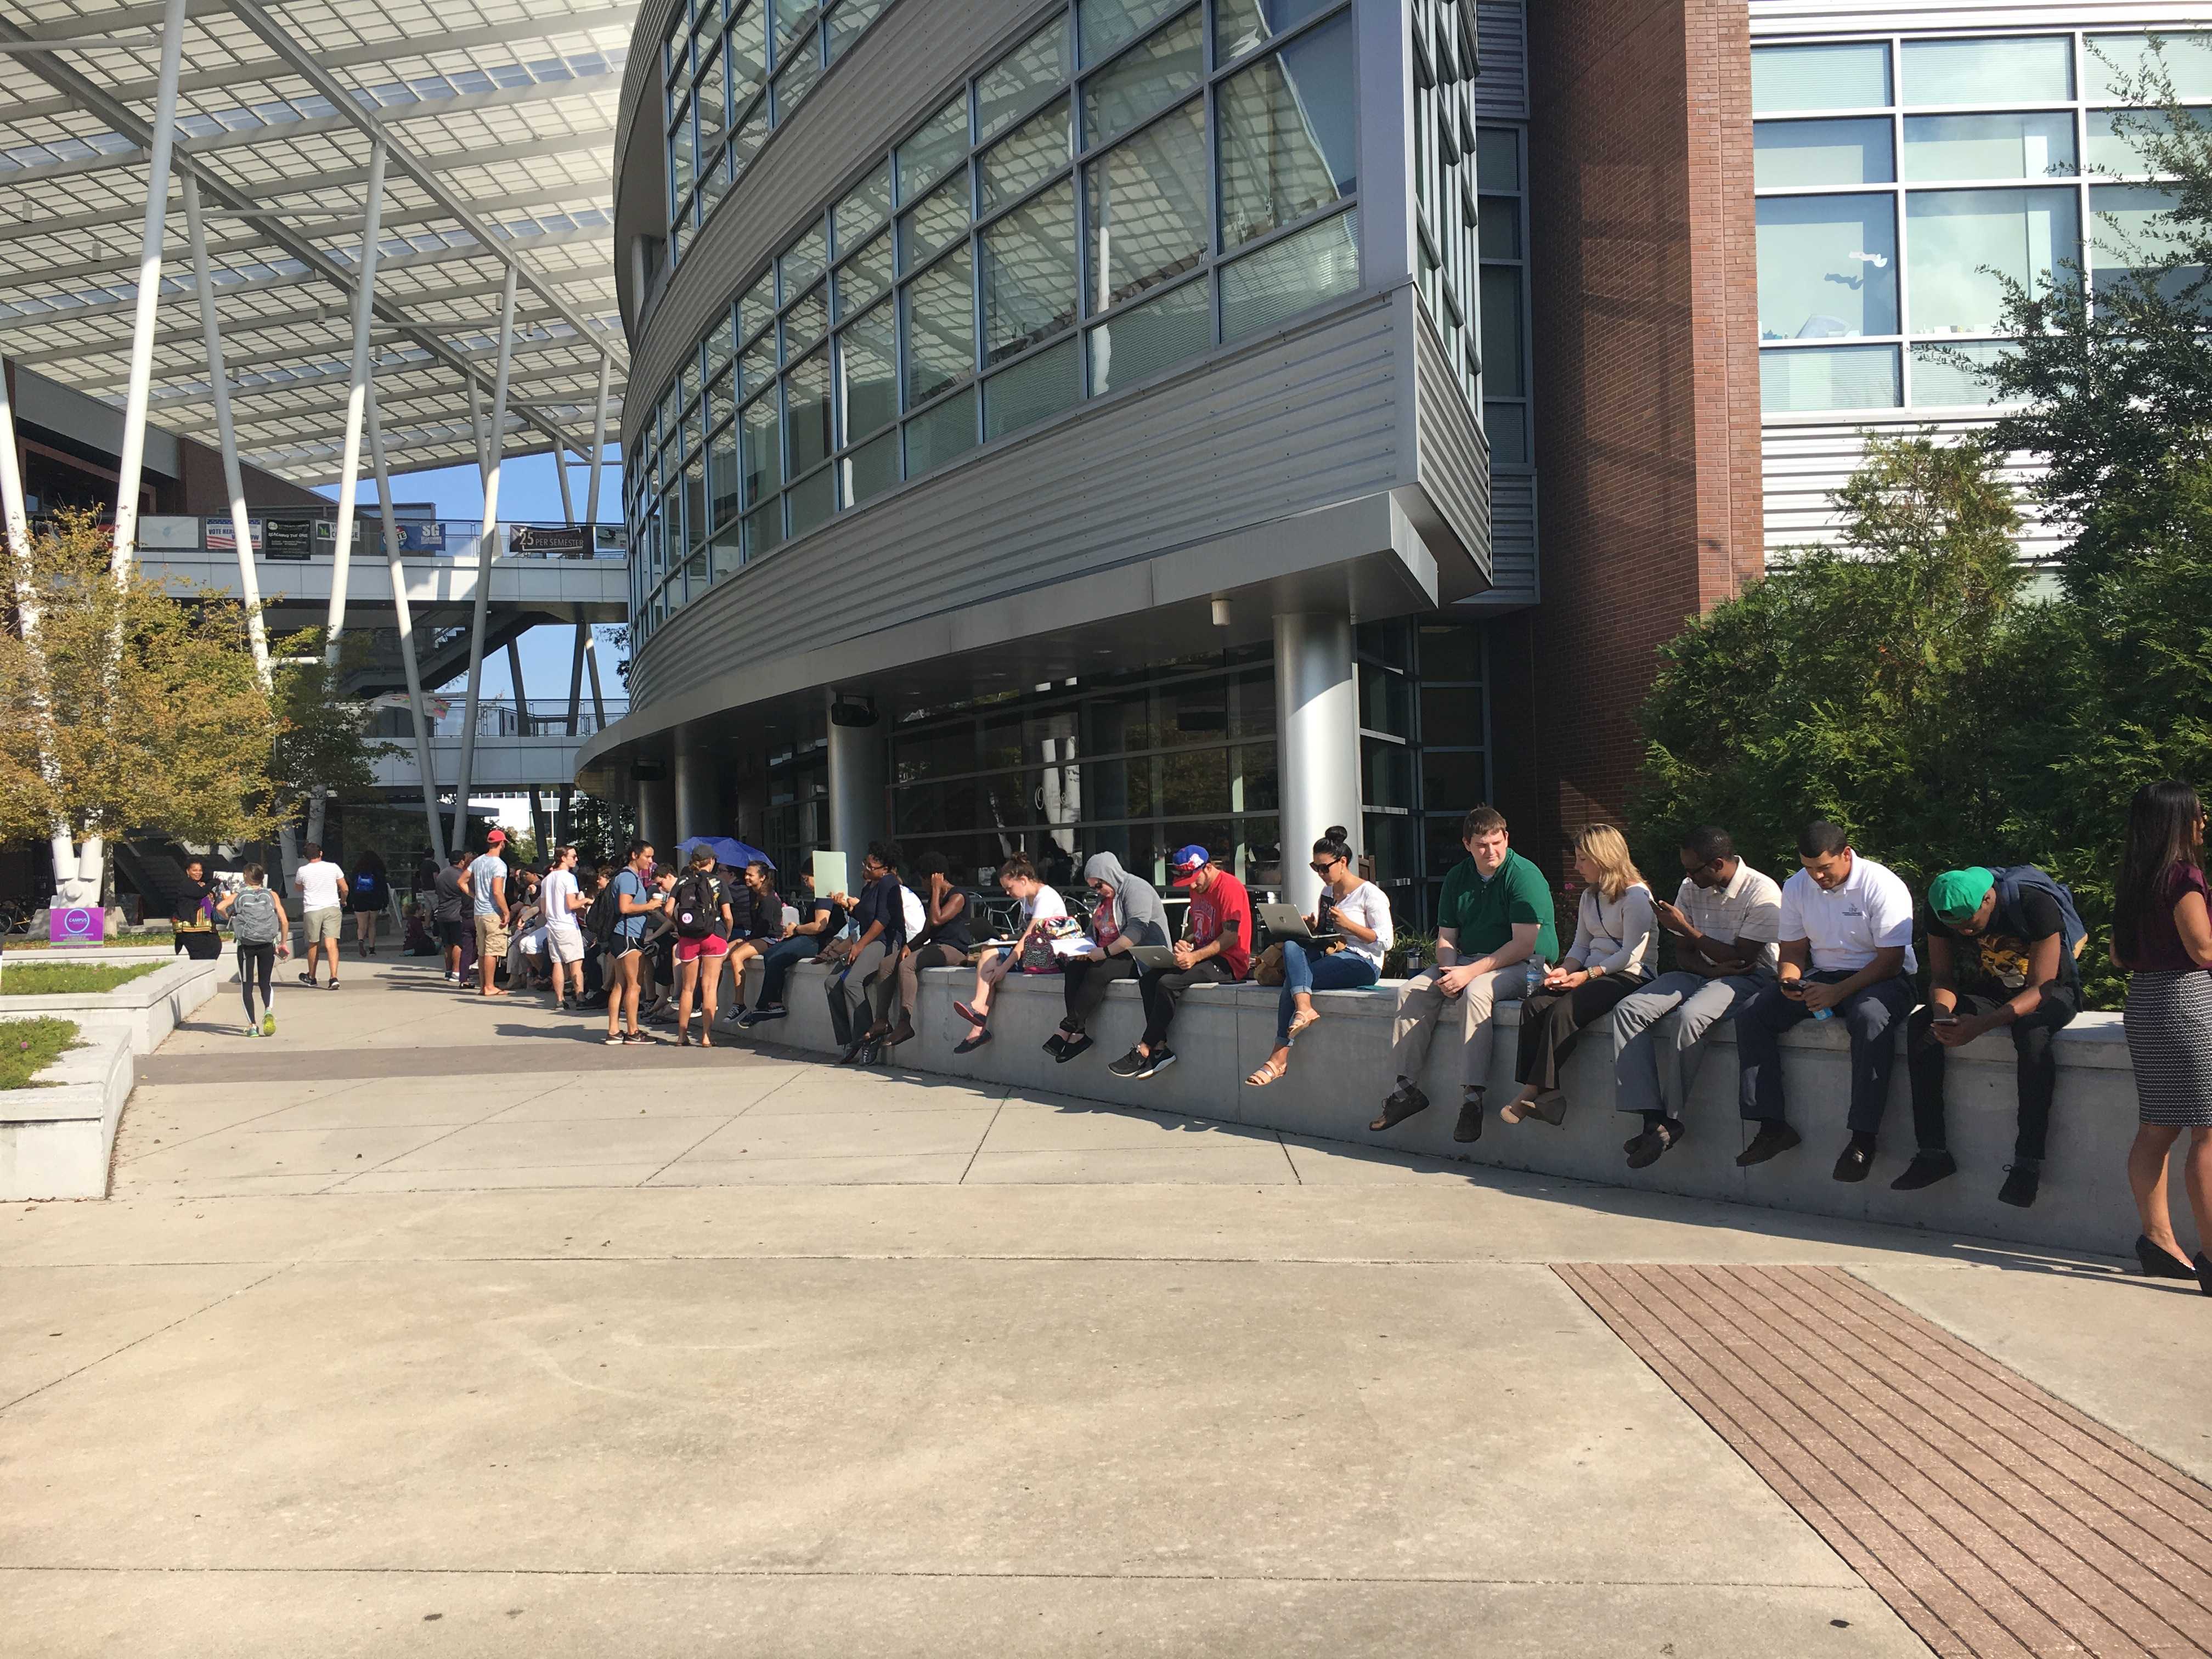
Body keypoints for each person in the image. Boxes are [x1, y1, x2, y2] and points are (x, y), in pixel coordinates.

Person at [1896, 862, 2087, 1208]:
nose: (1965, 933)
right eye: (1957, 927)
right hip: (1993, 989)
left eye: (1970, 924)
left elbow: (2042, 988)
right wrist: (1944, 1015)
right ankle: (1933, 1153)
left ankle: (2027, 1165)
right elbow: (1942, 978)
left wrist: (1982, 1025)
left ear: (1988, 899)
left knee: (2033, 1035)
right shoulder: (1940, 911)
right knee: (1923, 1027)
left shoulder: (2034, 904)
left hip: (2052, 989)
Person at [1734, 820, 1918, 1179]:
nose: (1817, 877)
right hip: (1826, 978)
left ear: (1846, 855)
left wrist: (1838, 993)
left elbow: (1891, 960)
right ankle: (1772, 1127)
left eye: (1824, 868)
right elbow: (1793, 951)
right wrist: (1789, 980)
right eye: (1809, 868)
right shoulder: (1797, 886)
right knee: (1753, 1013)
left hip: (1885, 979)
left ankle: (1863, 1140)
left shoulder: (1881, 885)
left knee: (1868, 1017)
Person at [1374, 805, 1556, 1141]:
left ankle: (1473, 1100)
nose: (1491, 851)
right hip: (1468, 960)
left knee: (1476, 992)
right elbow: (1446, 936)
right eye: (1482, 845)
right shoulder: (1459, 877)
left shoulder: (1524, 875)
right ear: (1467, 845)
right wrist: (1448, 971)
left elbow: (1523, 945)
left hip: (1525, 965)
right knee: (1410, 992)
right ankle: (1404, 1092)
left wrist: (1468, 974)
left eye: (1497, 843)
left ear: (1507, 838)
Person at [1610, 825, 1782, 1170]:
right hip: (1705, 972)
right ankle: (1651, 1119)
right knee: (1629, 1008)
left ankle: (1672, 1120)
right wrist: (1708, 969)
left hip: (1752, 977)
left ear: (1717, 864)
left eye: (1693, 870)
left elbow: (1744, 958)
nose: (1687, 878)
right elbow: (1685, 954)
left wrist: (1688, 929)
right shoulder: (1692, 886)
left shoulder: (1762, 892)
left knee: (1692, 1016)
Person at [2111, 781, 2212, 1289]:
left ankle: (2158, 1240)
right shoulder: (2183, 877)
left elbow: (2118, 957)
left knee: (2156, 1128)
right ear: (2177, 821)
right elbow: (2204, 950)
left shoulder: (2135, 879)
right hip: (2189, 1003)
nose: (2204, 820)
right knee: (2209, 1134)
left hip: (2145, 1003)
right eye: (2197, 813)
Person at [1498, 825, 1655, 1125]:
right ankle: (1551, 1096)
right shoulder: (1589, 896)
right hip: (1592, 972)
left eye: (1582, 859)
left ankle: (1532, 1092)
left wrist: (1588, 975)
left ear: (1603, 858)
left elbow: (1632, 955)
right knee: (1535, 1004)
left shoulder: (1636, 897)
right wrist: (1565, 969)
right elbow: (1581, 944)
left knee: (1564, 1011)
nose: (1576, 866)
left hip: (1630, 975)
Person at [1246, 829, 1392, 1088]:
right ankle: (1304, 1008)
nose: (1320, 874)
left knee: (1294, 979)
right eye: (1316, 868)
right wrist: (1311, 928)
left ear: (1343, 863)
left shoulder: (1371, 895)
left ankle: (1279, 1057)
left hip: (1363, 962)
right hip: (1333, 953)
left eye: (1324, 868)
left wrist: (1349, 925)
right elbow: (1328, 935)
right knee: (1292, 944)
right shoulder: (1327, 894)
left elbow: (1386, 941)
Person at [1109, 844, 1252, 1081]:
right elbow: (1199, 929)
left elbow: (1230, 937)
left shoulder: (1230, 888)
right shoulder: (1197, 888)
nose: (1193, 887)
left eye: (1195, 880)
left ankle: (1144, 1047)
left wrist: (1194, 956)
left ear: (1208, 868)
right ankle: (1160, 1049)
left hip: (1230, 962)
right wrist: (1185, 943)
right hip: (1203, 955)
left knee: (1168, 983)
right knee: (1149, 980)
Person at [1046, 853, 1170, 1065]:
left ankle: (1069, 1026)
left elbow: (1136, 931)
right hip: (1109, 951)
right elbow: (1094, 930)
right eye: (1093, 887)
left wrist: (1102, 953)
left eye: (1099, 885)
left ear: (1110, 875)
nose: (1097, 891)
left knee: (1098, 971)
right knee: (1075, 969)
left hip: (1138, 955)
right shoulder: (1105, 898)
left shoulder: (1135, 889)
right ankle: (1078, 1031)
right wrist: (1081, 949)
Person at [953, 853, 1068, 1055]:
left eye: (1009, 888)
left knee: (990, 955)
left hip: (1050, 956)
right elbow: (1027, 935)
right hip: (1036, 951)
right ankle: (978, 1023)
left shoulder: (1046, 897)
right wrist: (1006, 937)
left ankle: (979, 1015)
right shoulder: (1028, 899)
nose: (1008, 893)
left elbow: (1030, 937)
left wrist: (1004, 967)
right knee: (989, 953)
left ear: (1023, 880)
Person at [828, 842, 907, 1062]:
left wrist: (860, 945)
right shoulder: (869, 886)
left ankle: (868, 1035)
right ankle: (848, 1039)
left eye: (871, 866)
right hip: (869, 939)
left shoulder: (888, 883)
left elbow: (883, 920)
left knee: (852, 981)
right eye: (866, 863)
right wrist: (845, 906)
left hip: (886, 942)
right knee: (832, 982)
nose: (866, 868)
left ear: (885, 869)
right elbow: (865, 917)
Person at [738, 868, 848, 1028]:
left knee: (778, 959)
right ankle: (774, 1002)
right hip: (808, 938)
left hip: (818, 941)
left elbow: (819, 927)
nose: (806, 884)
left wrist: (796, 929)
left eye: (807, 879)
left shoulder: (825, 897)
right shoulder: (820, 897)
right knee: (770, 954)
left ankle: (765, 1005)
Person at [670, 844, 735, 1047]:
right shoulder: (718, 882)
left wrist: (678, 925)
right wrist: (727, 932)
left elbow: (668, 909)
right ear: (712, 861)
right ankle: (707, 1036)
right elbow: (727, 915)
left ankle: (682, 1036)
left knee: (688, 989)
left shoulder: (682, 881)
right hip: (714, 935)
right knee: (709, 988)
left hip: (688, 937)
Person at [603, 839, 666, 1045]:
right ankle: (633, 1031)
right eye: (647, 856)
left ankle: (614, 1030)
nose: (651, 861)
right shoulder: (629, 878)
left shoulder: (624, 876)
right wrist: (650, 905)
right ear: (634, 855)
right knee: (634, 986)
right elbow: (625, 907)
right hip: (629, 935)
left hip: (621, 936)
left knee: (620, 985)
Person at [217, 864, 289, 1037]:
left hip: (246, 946)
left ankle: (253, 1026)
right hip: (267, 944)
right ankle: (268, 1010)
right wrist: (283, 943)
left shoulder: (239, 895)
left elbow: (220, 908)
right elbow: (284, 921)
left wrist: (231, 918)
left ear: (246, 877)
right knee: (265, 982)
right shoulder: (272, 895)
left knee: (247, 986)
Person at [718, 862, 782, 1024]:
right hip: (755, 936)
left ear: (763, 878)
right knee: (720, 954)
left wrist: (747, 940)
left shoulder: (769, 899)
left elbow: (765, 927)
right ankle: (706, 998)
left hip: (771, 938)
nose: (746, 877)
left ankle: (739, 1004)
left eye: (750, 875)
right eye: (746, 874)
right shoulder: (754, 894)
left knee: (737, 956)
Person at [459, 830, 512, 998]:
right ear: (502, 843)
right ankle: (490, 986)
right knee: (492, 950)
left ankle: (484, 986)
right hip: (492, 912)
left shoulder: (478, 861)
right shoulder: (499, 865)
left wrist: (475, 896)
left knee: (482, 951)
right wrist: (506, 911)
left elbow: (461, 882)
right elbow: (497, 892)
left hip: (479, 912)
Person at [292, 842, 348, 989]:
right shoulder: (333, 867)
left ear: (305, 857)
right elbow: (345, 888)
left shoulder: (302, 871)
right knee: (331, 943)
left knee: (314, 943)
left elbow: (298, 888)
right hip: (332, 907)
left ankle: (312, 976)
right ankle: (334, 977)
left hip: (312, 909)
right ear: (321, 853)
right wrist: (343, 900)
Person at [539, 844, 588, 1012]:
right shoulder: (568, 878)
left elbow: (543, 908)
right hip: (567, 924)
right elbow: (572, 904)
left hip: (552, 924)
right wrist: (586, 900)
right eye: (573, 856)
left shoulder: (546, 880)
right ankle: (580, 996)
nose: (576, 859)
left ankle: (560, 999)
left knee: (557, 962)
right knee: (576, 962)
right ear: (563, 858)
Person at [432, 850, 470, 984]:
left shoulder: (442, 875)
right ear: (462, 861)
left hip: (442, 913)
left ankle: (448, 971)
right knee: (458, 943)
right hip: (456, 913)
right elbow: (467, 892)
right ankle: (456, 971)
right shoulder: (461, 876)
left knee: (447, 944)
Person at [170, 856, 216, 957]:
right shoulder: (186, 884)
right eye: (195, 870)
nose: (198, 873)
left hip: (203, 928)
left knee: (215, 947)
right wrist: (213, 883)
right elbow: (199, 893)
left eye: (200, 870)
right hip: (189, 927)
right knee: (198, 955)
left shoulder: (200, 885)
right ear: (188, 871)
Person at [348, 848, 390, 956]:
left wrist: (351, 901)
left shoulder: (357, 871)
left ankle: (361, 940)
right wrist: (385, 902)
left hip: (359, 899)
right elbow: (383, 888)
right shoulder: (378, 871)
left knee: (361, 925)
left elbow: (351, 887)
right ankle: (372, 949)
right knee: (372, 924)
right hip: (374, 900)